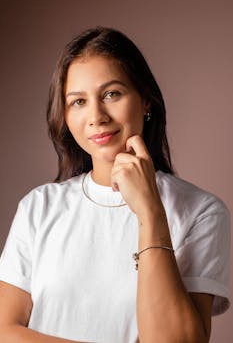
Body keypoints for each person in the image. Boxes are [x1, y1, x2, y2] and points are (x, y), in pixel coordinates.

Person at [0, 27, 230, 343]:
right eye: (78, 101)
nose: (96, 116)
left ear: (146, 101)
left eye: (112, 94)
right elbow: (4, 331)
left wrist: (151, 213)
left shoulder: (201, 212)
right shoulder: (38, 207)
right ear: (64, 115)